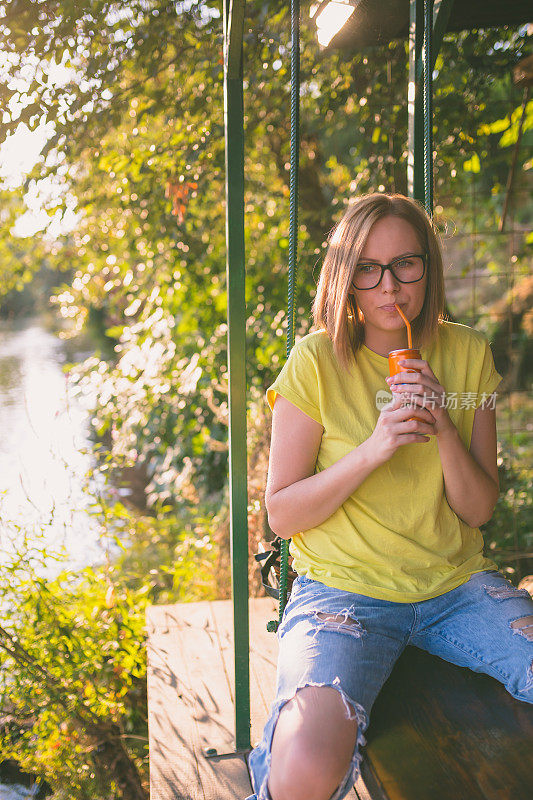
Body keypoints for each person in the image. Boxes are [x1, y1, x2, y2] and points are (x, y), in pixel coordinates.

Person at [245, 193, 533, 800]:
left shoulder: (466, 353)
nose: (388, 288)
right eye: (368, 269)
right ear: (346, 279)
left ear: (428, 266)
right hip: (342, 596)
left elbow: (479, 510)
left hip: (456, 588)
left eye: (406, 264)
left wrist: (443, 425)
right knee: (304, 769)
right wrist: (376, 447)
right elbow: (282, 513)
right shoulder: (316, 362)